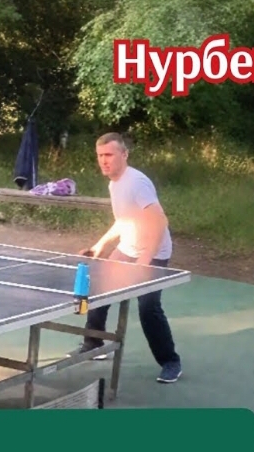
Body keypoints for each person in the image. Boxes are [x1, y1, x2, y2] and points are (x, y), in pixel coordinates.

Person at [68, 132, 183, 383]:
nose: (104, 160)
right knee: (99, 289)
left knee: (148, 308)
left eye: (109, 155)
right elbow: (123, 220)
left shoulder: (137, 183)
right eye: (100, 155)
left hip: (154, 252)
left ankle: (170, 362)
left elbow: (160, 221)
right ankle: (94, 343)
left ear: (124, 154)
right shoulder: (114, 184)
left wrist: (145, 260)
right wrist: (100, 246)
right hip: (128, 248)